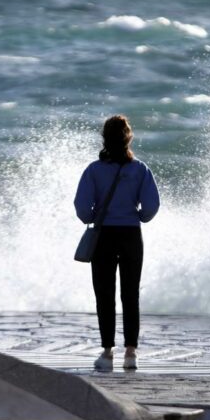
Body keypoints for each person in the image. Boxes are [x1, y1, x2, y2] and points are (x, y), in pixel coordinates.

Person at [73, 115, 160, 371]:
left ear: (104, 138)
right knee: (130, 294)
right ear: (129, 137)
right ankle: (131, 352)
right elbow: (152, 206)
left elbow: (82, 208)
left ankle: (107, 352)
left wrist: (91, 217)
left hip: (104, 236)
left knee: (105, 293)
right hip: (131, 234)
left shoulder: (93, 170)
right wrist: (139, 216)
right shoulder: (140, 169)